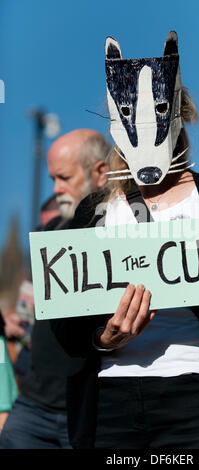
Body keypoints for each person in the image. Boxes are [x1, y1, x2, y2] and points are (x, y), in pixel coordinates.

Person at [51, 32, 199, 449]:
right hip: (112, 402)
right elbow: (66, 327)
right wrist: (102, 337)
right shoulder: (95, 211)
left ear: (178, 114)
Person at [0, 129, 110, 449]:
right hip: (34, 404)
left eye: (64, 177)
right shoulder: (50, 229)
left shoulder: (122, 227)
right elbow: (30, 305)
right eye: (52, 178)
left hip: (92, 407)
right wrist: (12, 321)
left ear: (100, 172)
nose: (56, 189)